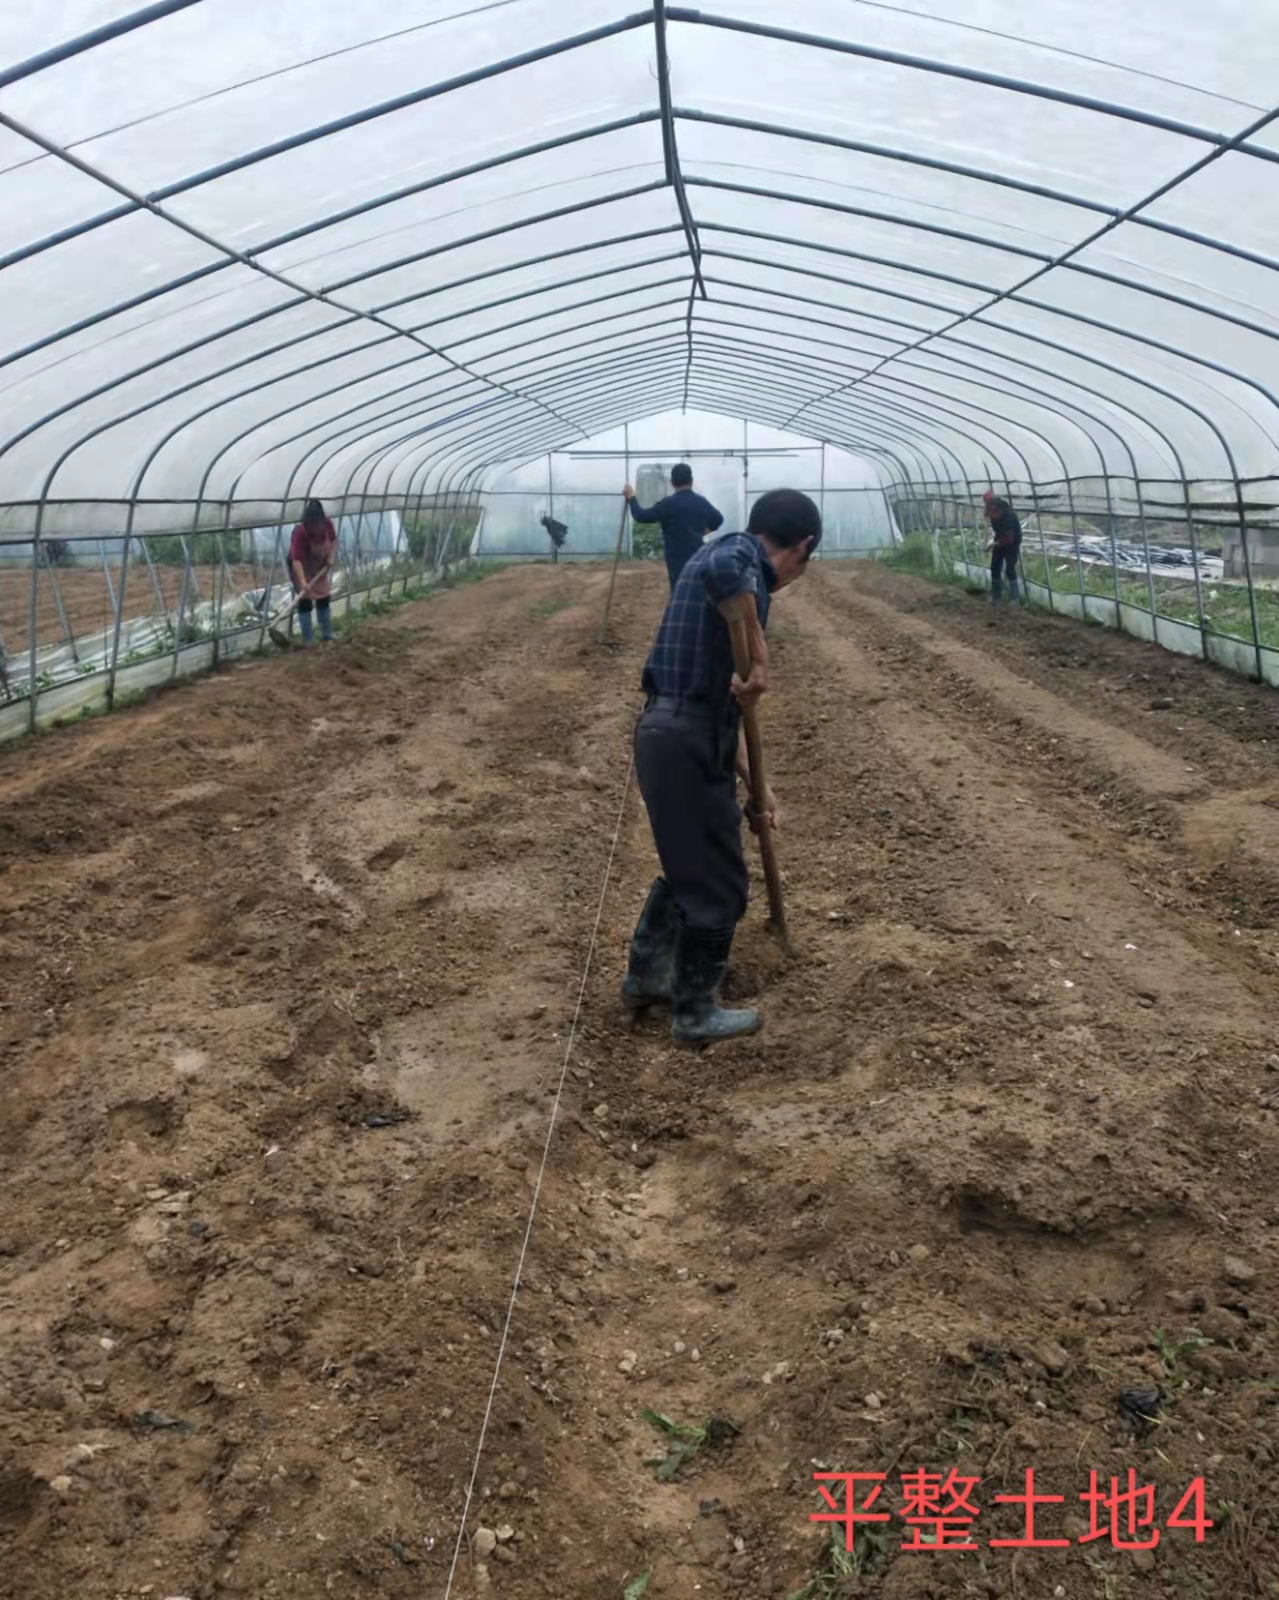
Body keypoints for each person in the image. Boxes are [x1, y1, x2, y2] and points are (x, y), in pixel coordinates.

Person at [622, 488, 823, 1045]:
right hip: (681, 739)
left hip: (680, 735)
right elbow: (721, 563)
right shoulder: (738, 556)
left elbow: (724, 716)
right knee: (720, 885)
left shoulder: (742, 582)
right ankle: (693, 1012)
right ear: (804, 546)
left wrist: (761, 789)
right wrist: (760, 657)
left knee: (691, 868)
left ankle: (647, 977)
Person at [623, 464, 724, 589]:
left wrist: (631, 497)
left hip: (677, 561)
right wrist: (701, 532)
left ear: (672, 483)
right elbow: (718, 519)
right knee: (698, 591)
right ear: (691, 481)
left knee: (679, 592)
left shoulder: (668, 504)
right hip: (699, 557)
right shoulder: (701, 502)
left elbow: (641, 516)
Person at [289, 499, 339, 642]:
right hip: (302, 568)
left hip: (320, 567)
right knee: (305, 602)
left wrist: (330, 557)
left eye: (318, 524)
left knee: (323, 598)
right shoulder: (300, 532)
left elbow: (334, 541)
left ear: (322, 521)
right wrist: (303, 582)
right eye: (312, 524)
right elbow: (296, 560)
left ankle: (327, 634)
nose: (315, 528)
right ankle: (308, 639)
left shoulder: (328, 524)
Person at [984, 491, 1024, 606]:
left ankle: (1014, 598)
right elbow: (989, 521)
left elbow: (1008, 539)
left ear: (999, 511)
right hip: (1000, 537)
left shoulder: (1009, 517)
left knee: (1009, 568)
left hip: (1012, 541)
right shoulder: (993, 515)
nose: (991, 516)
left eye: (992, 514)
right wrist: (990, 542)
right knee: (995, 566)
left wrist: (993, 544)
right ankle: (996, 596)